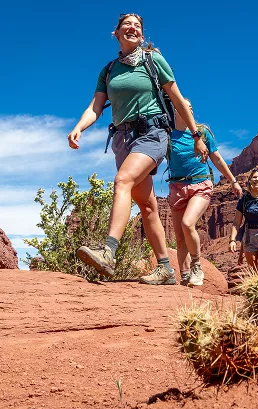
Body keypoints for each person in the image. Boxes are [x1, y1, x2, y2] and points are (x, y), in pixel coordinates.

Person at [67, 14, 208, 285]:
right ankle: (165, 268)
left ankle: (108, 251)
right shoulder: (108, 71)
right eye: (126, 25)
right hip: (122, 140)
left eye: (137, 26)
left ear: (141, 35)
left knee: (123, 181)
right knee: (146, 205)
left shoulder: (153, 60)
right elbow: (96, 107)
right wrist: (79, 127)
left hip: (152, 134)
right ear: (116, 33)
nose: (132, 28)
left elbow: (177, 97)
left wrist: (196, 135)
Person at [167, 98, 242, 286]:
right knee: (179, 237)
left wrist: (233, 180)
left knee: (187, 223)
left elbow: (216, 159)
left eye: (191, 107)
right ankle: (185, 277)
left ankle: (197, 266)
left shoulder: (202, 133)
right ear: (175, 109)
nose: (188, 110)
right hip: (176, 187)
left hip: (200, 185)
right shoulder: (168, 134)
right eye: (184, 107)